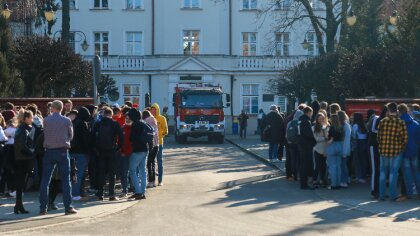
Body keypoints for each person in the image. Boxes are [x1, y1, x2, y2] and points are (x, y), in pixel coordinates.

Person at [40, 100, 77, 215]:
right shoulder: (67, 120)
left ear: (53, 108)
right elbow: (71, 136)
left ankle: (43, 208)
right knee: (66, 181)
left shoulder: (46, 120)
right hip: (62, 151)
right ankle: (68, 207)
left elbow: (45, 133)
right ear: (62, 108)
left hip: (49, 151)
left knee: (45, 181)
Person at [377, 102, 408, 201]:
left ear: (388, 110)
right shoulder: (400, 122)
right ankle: (392, 195)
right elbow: (405, 139)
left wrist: (382, 145)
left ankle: (381, 195)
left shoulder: (382, 121)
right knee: (393, 173)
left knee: (382, 172)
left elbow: (378, 137)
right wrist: (401, 148)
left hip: (383, 151)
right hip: (396, 151)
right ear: (397, 110)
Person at [92, 107, 123, 201]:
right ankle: (111, 195)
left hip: (100, 151)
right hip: (112, 151)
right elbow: (121, 138)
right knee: (112, 173)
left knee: (101, 172)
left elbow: (92, 137)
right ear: (111, 114)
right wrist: (118, 148)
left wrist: (96, 149)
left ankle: (100, 194)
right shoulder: (115, 124)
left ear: (104, 114)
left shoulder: (98, 124)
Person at [13, 110, 34, 214]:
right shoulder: (23, 130)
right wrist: (32, 152)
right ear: (26, 118)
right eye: (31, 117)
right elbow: (22, 146)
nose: (32, 119)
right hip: (23, 159)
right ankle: (18, 205)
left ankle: (18, 205)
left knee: (20, 184)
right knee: (21, 184)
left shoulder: (21, 129)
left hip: (20, 159)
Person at [398, 104, 420, 200]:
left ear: (399, 111)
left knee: (407, 173)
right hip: (414, 150)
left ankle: (409, 193)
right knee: (416, 172)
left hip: (404, 151)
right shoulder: (416, 123)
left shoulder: (398, 123)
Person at [127, 108, 149, 200]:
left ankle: (138, 192)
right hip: (145, 149)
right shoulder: (143, 123)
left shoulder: (135, 125)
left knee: (132, 171)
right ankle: (143, 191)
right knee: (143, 171)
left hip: (137, 151)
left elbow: (131, 138)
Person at [70, 107, 91, 201]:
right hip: (81, 152)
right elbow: (86, 139)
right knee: (79, 174)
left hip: (71, 151)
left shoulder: (73, 122)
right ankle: (76, 194)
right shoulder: (83, 124)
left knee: (73, 174)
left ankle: (72, 193)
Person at [297, 106, 316, 189]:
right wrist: (314, 141)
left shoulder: (300, 120)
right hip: (306, 145)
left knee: (302, 164)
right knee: (306, 164)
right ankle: (304, 184)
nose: (312, 115)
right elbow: (308, 133)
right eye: (311, 113)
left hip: (300, 144)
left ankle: (303, 183)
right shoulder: (306, 121)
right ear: (309, 112)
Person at [151, 103, 168, 186]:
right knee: (152, 162)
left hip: (159, 143)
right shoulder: (149, 119)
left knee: (159, 162)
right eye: (152, 109)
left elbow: (166, 130)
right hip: (151, 144)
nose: (153, 111)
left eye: (154, 110)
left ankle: (160, 180)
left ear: (157, 110)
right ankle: (152, 180)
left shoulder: (162, 118)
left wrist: (158, 134)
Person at [326, 114, 345, 190]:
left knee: (332, 167)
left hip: (333, 146)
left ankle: (333, 184)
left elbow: (331, 139)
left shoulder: (332, 128)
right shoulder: (341, 128)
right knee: (338, 166)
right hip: (340, 146)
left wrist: (326, 144)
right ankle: (338, 184)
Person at [312, 112, 329, 188]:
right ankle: (315, 180)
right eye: (319, 119)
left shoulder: (327, 127)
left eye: (322, 118)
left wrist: (325, 133)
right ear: (317, 119)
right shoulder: (314, 128)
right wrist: (324, 138)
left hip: (325, 149)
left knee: (324, 166)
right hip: (318, 149)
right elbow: (315, 139)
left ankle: (322, 180)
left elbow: (329, 136)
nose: (321, 120)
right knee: (318, 166)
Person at [286, 110, 304, 180]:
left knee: (292, 159)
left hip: (290, 143)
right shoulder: (300, 122)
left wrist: (288, 141)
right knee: (299, 159)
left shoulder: (290, 122)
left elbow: (286, 134)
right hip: (298, 143)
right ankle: (298, 174)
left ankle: (294, 174)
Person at [143, 110, 159, 188]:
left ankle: (150, 182)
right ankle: (153, 181)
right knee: (152, 163)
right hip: (157, 144)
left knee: (149, 164)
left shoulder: (146, 121)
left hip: (151, 144)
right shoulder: (154, 120)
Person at [352, 113, 369, 184]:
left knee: (358, 161)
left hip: (358, 143)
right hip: (364, 143)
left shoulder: (355, 125)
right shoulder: (364, 125)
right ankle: (363, 176)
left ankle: (359, 177)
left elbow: (353, 135)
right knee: (364, 160)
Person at [120, 114, 133, 197]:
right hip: (124, 154)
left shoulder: (134, 128)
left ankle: (133, 188)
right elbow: (119, 141)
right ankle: (125, 190)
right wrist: (121, 152)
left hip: (132, 154)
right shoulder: (122, 128)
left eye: (129, 119)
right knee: (124, 173)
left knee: (133, 172)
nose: (127, 120)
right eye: (126, 118)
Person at [338, 111, 352, 188]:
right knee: (344, 165)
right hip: (345, 148)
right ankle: (345, 180)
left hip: (343, 149)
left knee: (343, 165)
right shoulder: (347, 125)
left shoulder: (344, 126)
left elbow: (346, 140)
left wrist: (344, 151)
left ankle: (343, 181)